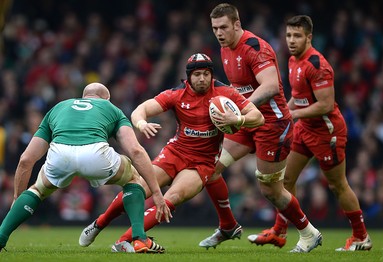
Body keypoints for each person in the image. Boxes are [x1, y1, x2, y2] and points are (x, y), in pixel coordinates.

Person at [78, 53, 265, 252]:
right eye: (197, 75)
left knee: (173, 197)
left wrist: (237, 120)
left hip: (202, 162)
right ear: (189, 77)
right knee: (139, 188)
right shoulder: (176, 94)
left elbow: (258, 117)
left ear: (211, 75)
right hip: (175, 152)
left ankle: (124, 240)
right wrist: (141, 123)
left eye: (206, 74)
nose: (202, 78)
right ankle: (99, 224)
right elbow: (141, 109)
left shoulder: (225, 93)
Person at [199, 3, 322, 253]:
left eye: (223, 27)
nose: (219, 33)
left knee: (270, 190)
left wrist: (240, 109)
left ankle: (309, 233)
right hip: (246, 123)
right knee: (208, 169)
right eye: (214, 28)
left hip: (272, 125)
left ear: (237, 24)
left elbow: (270, 87)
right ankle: (227, 226)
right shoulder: (225, 49)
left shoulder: (256, 48)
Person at [0, 82, 171, 253]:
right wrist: (156, 192)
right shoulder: (111, 109)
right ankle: (140, 238)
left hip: (60, 154)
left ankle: (1, 236)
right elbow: (136, 150)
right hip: (95, 154)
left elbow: (26, 160)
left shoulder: (58, 108)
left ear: (83, 97)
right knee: (133, 177)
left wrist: (17, 199)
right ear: (107, 99)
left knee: (37, 189)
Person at [259, 15, 372, 252]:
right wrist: (285, 110)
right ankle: (279, 231)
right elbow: (298, 96)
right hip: (305, 129)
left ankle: (361, 237)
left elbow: (326, 105)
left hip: (326, 131)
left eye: (297, 36)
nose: (291, 40)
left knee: (337, 184)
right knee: (286, 179)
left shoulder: (317, 65)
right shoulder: (292, 61)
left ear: (309, 37)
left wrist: (293, 115)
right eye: (289, 35)